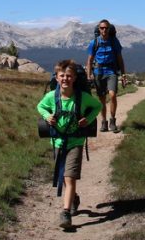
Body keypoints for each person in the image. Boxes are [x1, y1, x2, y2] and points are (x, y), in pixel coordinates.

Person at [37, 59, 102, 229]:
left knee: (69, 176)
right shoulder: (51, 97)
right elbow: (40, 106)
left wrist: (87, 120)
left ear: (74, 78)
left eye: (69, 76)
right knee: (64, 176)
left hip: (76, 142)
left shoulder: (82, 97)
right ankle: (74, 198)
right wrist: (46, 116)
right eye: (62, 76)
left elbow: (97, 106)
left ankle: (65, 212)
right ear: (56, 78)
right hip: (57, 141)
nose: (65, 79)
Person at [86, 19, 126, 133]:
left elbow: (120, 59)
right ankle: (104, 123)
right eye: (102, 28)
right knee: (102, 99)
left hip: (111, 71)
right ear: (99, 29)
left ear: (109, 29)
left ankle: (112, 121)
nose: (104, 30)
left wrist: (123, 75)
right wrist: (89, 75)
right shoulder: (94, 42)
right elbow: (89, 60)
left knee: (112, 95)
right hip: (98, 73)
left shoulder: (114, 42)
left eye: (106, 28)